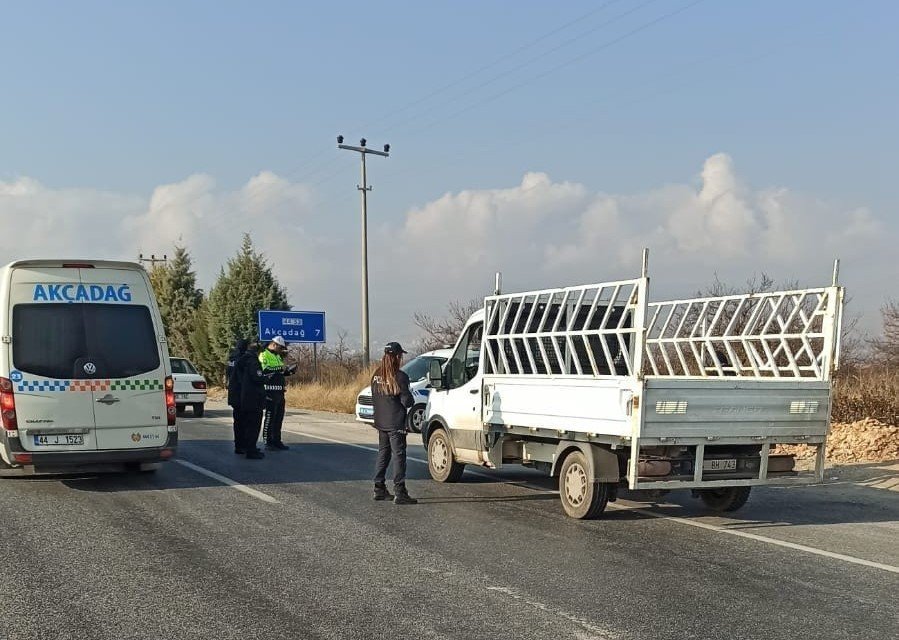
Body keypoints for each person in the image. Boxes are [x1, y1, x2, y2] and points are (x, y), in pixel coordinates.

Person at [371, 342, 417, 505]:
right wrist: (410, 396)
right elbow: (406, 402)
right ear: (397, 356)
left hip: (381, 422)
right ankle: (400, 491)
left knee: (383, 453)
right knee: (399, 456)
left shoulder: (376, 375)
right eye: (401, 356)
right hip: (396, 423)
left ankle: (379, 488)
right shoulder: (400, 376)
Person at [259, 335, 296, 450]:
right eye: (280, 348)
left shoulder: (277, 356)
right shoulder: (264, 355)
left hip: (280, 391)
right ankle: (268, 441)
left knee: (279, 417)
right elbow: (265, 370)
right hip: (269, 391)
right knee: (270, 417)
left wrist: (288, 372)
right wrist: (280, 370)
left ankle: (277, 440)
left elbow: (279, 372)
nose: (281, 351)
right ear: (274, 344)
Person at [237, 340, 267, 459]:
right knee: (253, 425)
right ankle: (251, 450)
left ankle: (249, 447)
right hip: (254, 398)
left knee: (247, 424)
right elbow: (257, 378)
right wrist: (265, 378)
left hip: (246, 396)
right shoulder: (252, 361)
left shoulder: (243, 360)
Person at [227, 338, 248, 453]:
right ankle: (242, 445)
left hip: (233, 392)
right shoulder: (242, 359)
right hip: (241, 393)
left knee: (237, 421)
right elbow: (243, 378)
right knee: (244, 421)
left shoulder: (232, 358)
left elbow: (228, 374)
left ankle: (238, 445)